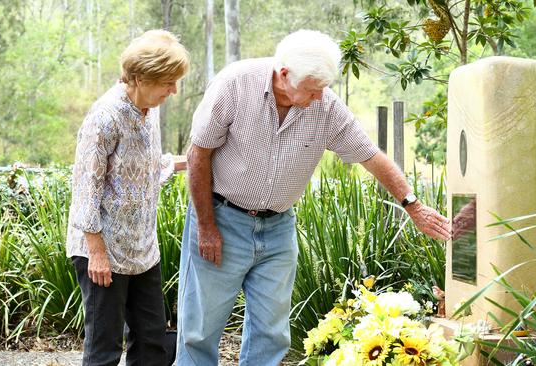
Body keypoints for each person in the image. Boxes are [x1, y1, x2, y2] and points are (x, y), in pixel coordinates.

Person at [176, 29, 451, 366]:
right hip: (220, 217)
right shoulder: (235, 84)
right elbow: (198, 155)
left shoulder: (327, 106)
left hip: (278, 227)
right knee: (200, 330)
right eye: (312, 90)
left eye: (322, 89)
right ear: (284, 74)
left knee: (272, 333)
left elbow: (371, 156)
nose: (320, 97)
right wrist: (206, 226)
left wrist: (413, 205)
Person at [66, 29, 189, 366]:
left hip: (142, 249)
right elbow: (85, 190)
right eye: (167, 82)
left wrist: (190, 161)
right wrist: (97, 253)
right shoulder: (106, 116)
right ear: (138, 77)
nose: (173, 90)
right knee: (104, 348)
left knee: (154, 343)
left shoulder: (151, 109)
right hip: (101, 249)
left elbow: (145, 169)